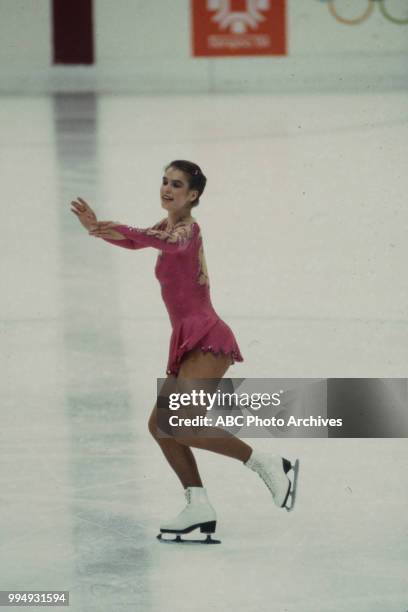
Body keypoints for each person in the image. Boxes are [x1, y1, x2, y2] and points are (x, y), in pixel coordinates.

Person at [70, 160, 299, 543]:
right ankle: (198, 504)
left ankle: (269, 464)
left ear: (193, 195)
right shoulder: (165, 227)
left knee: (182, 423)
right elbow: (134, 241)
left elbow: (153, 240)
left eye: (176, 184)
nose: (167, 188)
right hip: (188, 339)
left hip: (208, 336)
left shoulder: (187, 230)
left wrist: (106, 226)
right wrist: (97, 229)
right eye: (164, 181)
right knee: (162, 426)